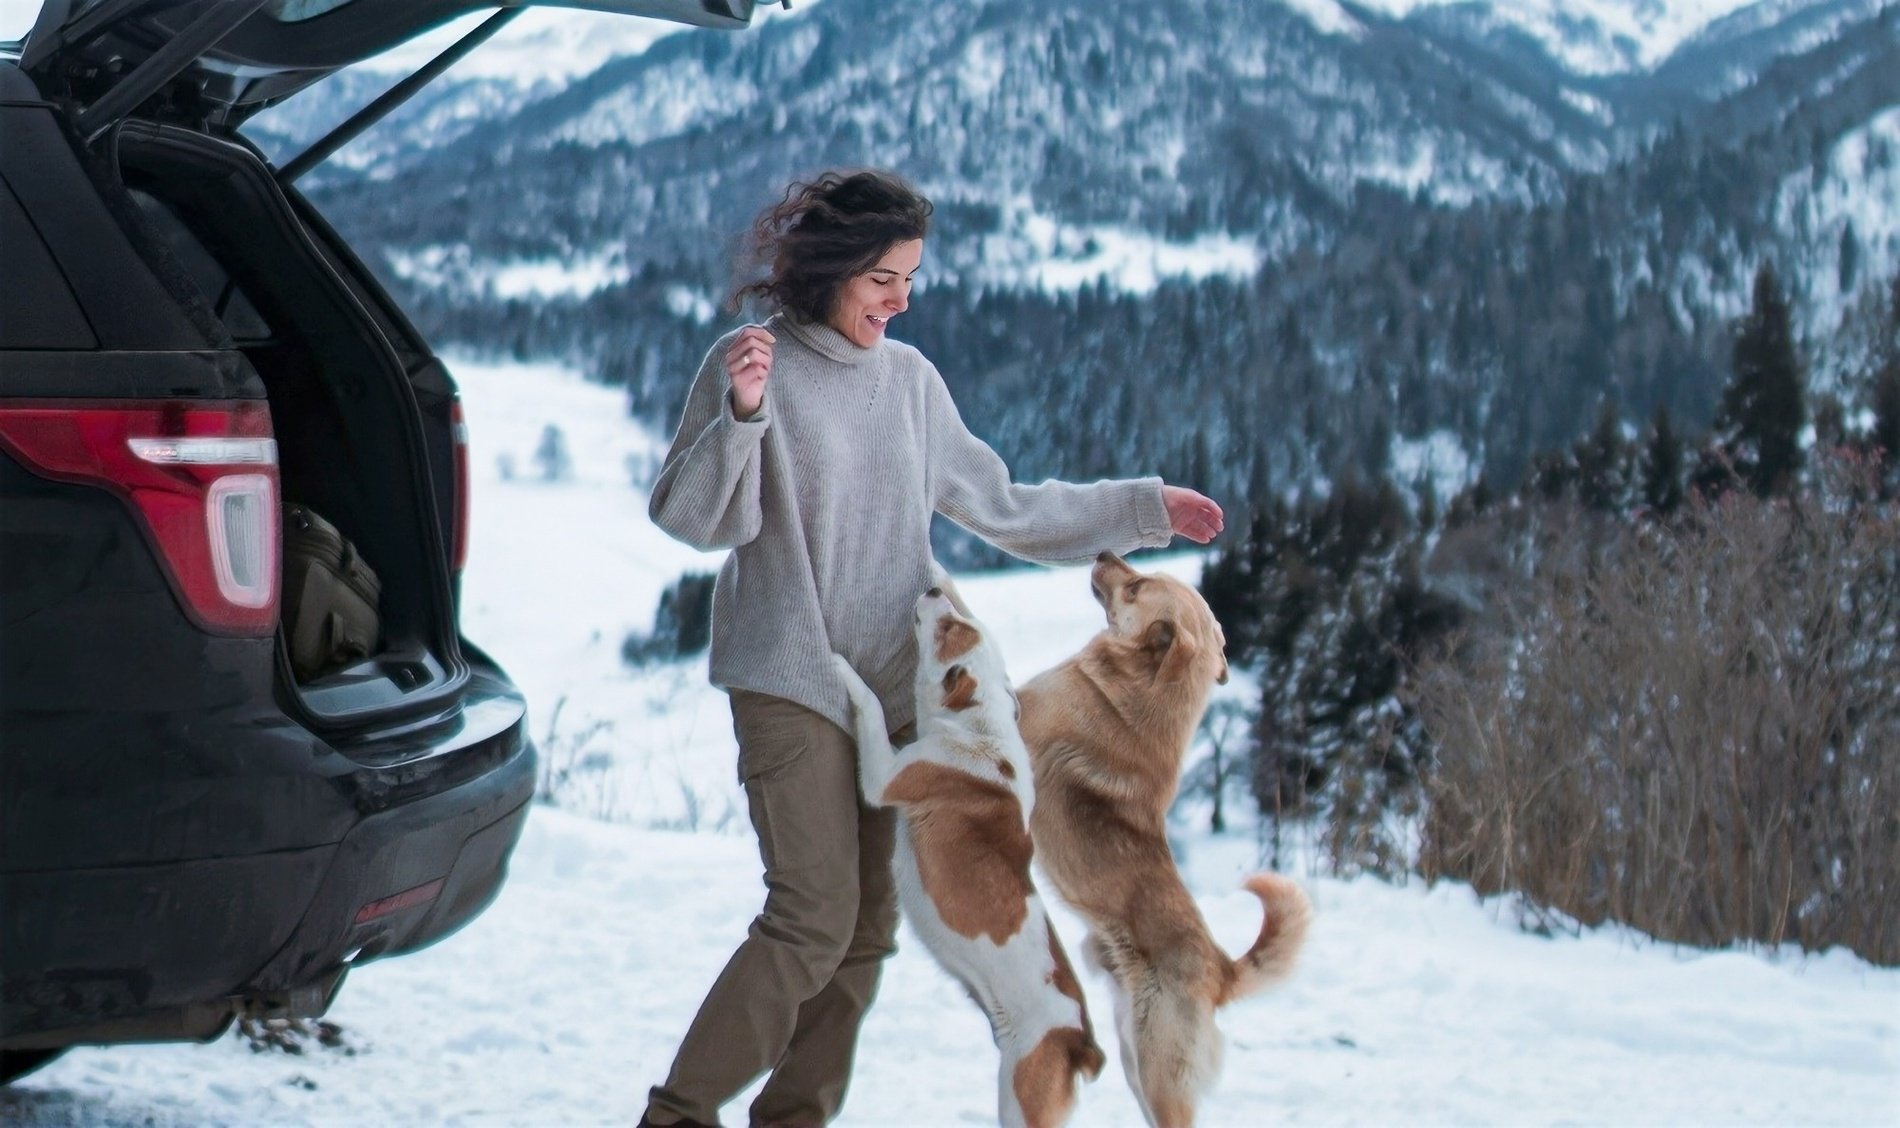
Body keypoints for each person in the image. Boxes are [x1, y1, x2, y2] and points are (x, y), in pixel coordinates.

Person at [639, 168, 1224, 1128]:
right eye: (885, 280)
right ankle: (676, 1116)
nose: (903, 300)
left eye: (911, 278)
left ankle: (792, 1119)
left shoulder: (911, 383)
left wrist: (1146, 509)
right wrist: (743, 414)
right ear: (832, 268)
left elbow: (1006, 507)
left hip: (899, 682)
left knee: (867, 934)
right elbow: (696, 519)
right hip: (789, 674)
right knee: (810, 917)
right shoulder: (751, 359)